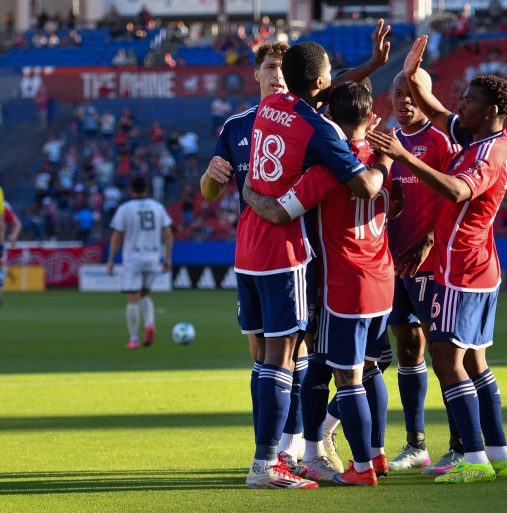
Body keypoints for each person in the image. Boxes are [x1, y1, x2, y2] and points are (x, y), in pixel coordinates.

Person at [235, 29, 393, 490]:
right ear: (321, 81)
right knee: (286, 359)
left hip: (248, 247)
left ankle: (281, 456)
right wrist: (385, 161)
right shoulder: (321, 131)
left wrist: (249, 194)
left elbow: (328, 85)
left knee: (268, 357)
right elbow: (364, 185)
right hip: (286, 252)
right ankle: (269, 463)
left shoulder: (269, 106)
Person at [368, 35, 507, 484]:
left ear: (489, 110)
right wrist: (412, 73)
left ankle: (472, 459)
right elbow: (435, 109)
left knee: (446, 359)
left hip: (461, 266)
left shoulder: (488, 153)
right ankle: (498, 453)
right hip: (479, 265)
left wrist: (400, 157)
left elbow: (455, 190)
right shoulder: (480, 137)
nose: (460, 107)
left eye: (469, 102)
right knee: (474, 362)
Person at [200, 41, 309, 472]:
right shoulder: (236, 128)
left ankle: (295, 443)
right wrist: (210, 179)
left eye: (283, 67)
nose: (277, 73)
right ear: (256, 74)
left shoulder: (305, 121)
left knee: (296, 353)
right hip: (250, 255)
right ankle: (271, 444)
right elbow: (210, 192)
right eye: (269, 66)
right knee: (262, 355)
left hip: (295, 253)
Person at [376, 70, 464, 473]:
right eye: (397, 94)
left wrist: (429, 238)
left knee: (445, 355)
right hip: (395, 263)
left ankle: (462, 445)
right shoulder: (388, 142)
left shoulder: (441, 140)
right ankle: (416, 445)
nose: (403, 101)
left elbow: (457, 194)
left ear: (425, 95)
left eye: (411, 93)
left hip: (431, 263)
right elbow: (389, 198)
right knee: (407, 349)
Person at [106, 177, 173, 349]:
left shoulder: (125, 209)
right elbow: (168, 233)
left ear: (131, 191)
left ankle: (134, 338)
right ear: (147, 189)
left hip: (133, 258)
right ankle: (149, 323)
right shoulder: (157, 207)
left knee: (132, 299)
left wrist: (111, 260)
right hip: (153, 257)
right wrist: (167, 258)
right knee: (145, 294)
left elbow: (116, 236)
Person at [0, 198, 22, 310]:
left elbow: (17, 224)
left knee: (1, 280)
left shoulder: (4, 206)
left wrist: (13, 236)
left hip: (0, 249)